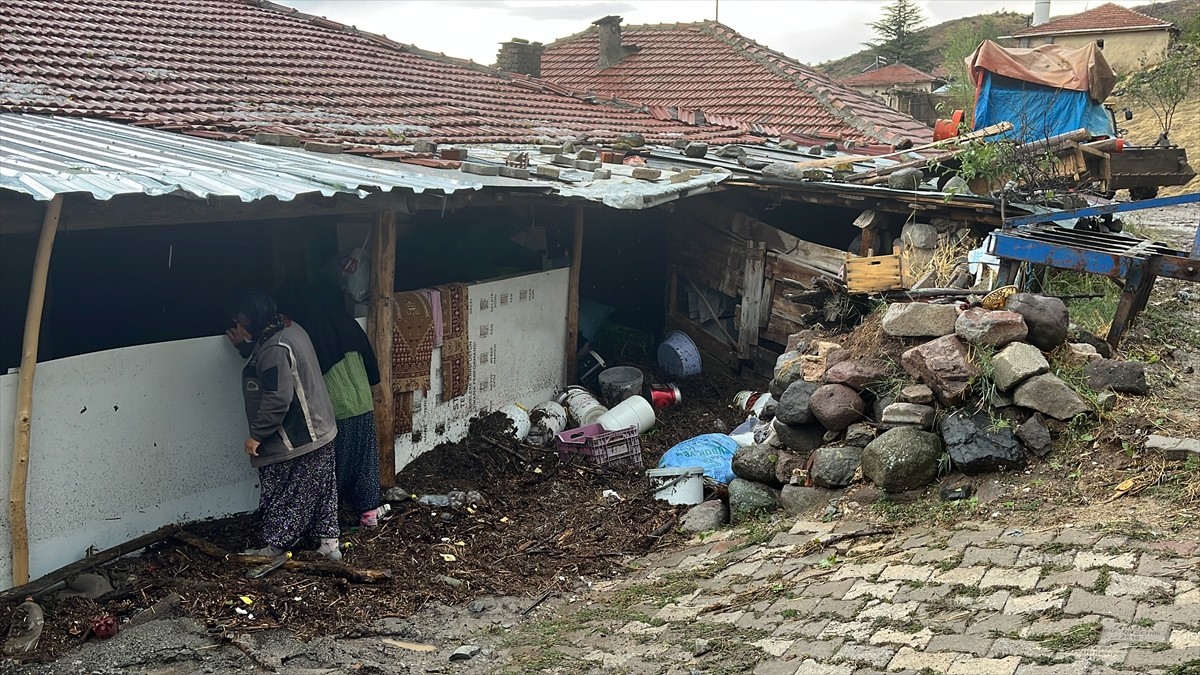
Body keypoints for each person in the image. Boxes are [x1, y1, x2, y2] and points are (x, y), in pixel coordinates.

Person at [227, 292, 342, 560]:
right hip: (321, 428)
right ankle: (329, 544)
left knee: (284, 492)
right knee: (323, 488)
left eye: (243, 323)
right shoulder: (288, 327)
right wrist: (245, 347)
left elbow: (277, 397)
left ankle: (276, 546)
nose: (239, 328)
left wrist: (256, 435)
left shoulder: (274, 348)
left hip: (299, 436)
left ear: (256, 320)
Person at [275, 284, 383, 527]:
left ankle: (327, 521)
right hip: (362, 400)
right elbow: (369, 359)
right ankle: (369, 514)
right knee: (365, 459)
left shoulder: (306, 330)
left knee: (332, 467)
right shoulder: (346, 321)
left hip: (334, 406)